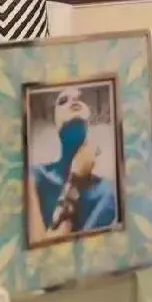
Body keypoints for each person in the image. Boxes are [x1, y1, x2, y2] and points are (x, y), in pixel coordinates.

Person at [31, 88, 119, 236]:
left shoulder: (109, 191)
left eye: (80, 98)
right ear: (56, 121)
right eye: (63, 101)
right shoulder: (34, 176)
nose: (74, 101)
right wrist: (75, 180)